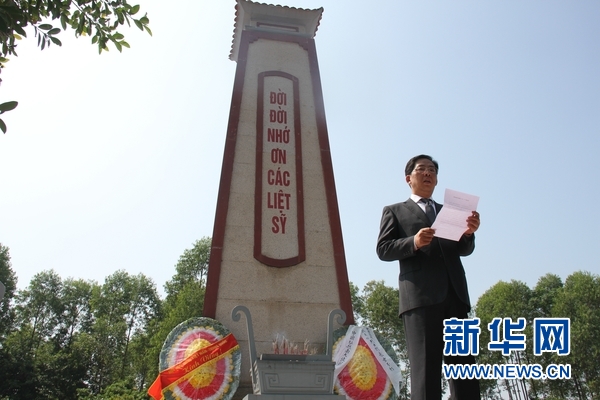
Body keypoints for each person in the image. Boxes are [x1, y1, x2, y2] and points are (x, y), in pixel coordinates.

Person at [376, 154, 481, 400]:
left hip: (455, 296)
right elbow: (383, 249)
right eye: (421, 169)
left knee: (465, 370)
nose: (428, 173)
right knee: (426, 370)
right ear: (408, 178)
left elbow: (463, 249)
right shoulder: (395, 211)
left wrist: (468, 233)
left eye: (432, 170)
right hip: (420, 299)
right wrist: (413, 241)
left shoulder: (450, 212)